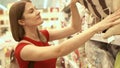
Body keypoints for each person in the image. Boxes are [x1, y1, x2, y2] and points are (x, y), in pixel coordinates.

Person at [9, 0, 120, 68]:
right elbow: (60, 50)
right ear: (21, 22)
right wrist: (96, 27)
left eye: (35, 9)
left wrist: (72, 5)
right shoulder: (23, 49)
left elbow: (75, 28)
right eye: (31, 11)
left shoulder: (42, 35)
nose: (38, 12)